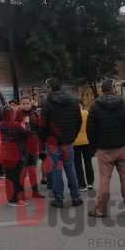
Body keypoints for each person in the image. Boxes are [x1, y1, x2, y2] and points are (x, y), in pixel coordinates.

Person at [87, 79, 125, 218]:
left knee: (104, 180)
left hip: (104, 149)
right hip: (122, 146)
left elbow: (90, 129)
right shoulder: (124, 103)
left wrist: (95, 145)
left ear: (102, 90)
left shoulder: (95, 105)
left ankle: (100, 210)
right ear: (114, 89)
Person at [38, 78, 82, 208]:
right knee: (71, 169)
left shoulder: (47, 104)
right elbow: (78, 121)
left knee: (56, 170)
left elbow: (42, 124)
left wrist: (43, 138)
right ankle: (76, 197)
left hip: (52, 143)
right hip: (68, 142)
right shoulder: (73, 101)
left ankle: (59, 199)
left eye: (47, 87)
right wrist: (73, 136)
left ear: (50, 88)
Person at [0, 107, 36, 206]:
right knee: (16, 177)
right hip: (15, 154)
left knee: (8, 177)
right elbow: (28, 134)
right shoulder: (15, 125)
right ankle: (15, 199)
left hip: (4, 153)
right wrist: (27, 123)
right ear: (11, 114)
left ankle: (10, 199)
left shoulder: (0, 125)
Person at [20, 95, 43, 197]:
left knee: (33, 169)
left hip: (34, 144)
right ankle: (21, 193)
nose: (25, 105)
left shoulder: (34, 114)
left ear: (31, 103)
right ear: (21, 104)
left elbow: (39, 127)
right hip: (22, 146)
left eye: (27, 103)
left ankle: (35, 191)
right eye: (23, 103)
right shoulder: (17, 114)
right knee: (22, 170)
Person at [73, 101, 95, 191]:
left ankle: (82, 185)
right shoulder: (86, 113)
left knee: (78, 164)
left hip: (75, 142)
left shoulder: (72, 114)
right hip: (87, 141)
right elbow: (91, 126)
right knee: (88, 163)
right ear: (81, 105)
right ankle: (90, 183)